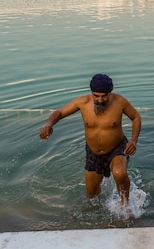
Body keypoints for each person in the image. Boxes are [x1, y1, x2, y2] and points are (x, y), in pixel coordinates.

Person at [39, 73, 141, 205]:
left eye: (104, 96)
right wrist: (49, 124)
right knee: (91, 196)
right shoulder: (82, 102)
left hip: (117, 147)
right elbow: (59, 113)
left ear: (110, 93)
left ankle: (125, 206)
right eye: (96, 96)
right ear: (91, 93)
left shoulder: (120, 102)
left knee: (119, 172)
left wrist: (133, 141)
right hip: (93, 152)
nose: (100, 100)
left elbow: (136, 117)